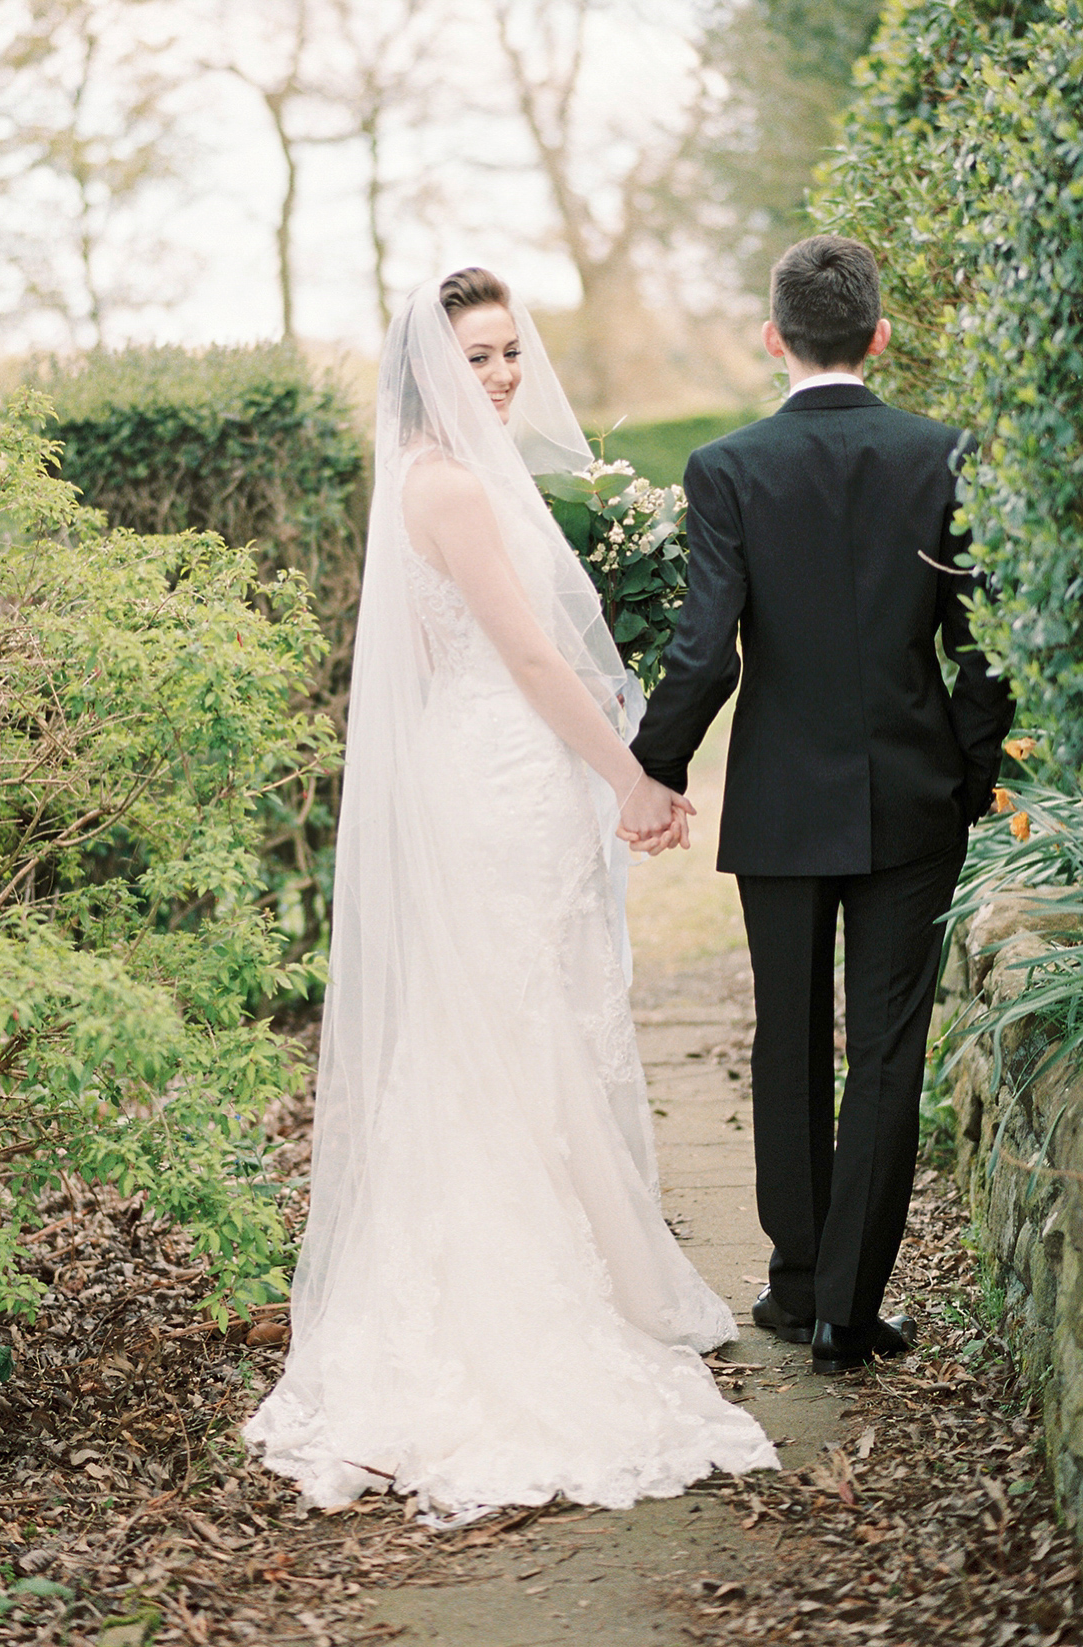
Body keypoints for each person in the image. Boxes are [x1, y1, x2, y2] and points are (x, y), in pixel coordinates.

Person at [244, 268, 777, 1514]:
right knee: (508, 1021)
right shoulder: (455, 490)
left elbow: (444, 659)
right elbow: (532, 656)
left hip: (485, 767)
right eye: (474, 358)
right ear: (429, 370)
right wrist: (637, 778)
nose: (498, 377)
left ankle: (565, 1257)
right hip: (501, 781)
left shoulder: (433, 484)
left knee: (512, 1022)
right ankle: (507, 1303)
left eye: (507, 355)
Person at [630, 234, 1014, 1375]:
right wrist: (972, 774)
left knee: (789, 1036)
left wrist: (655, 764)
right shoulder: (945, 455)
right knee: (890, 1052)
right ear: (880, 336)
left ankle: (797, 1286)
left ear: (772, 338)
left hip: (783, 804)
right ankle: (848, 1306)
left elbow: (706, 656)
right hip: (915, 801)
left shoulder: (726, 469)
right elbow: (983, 650)